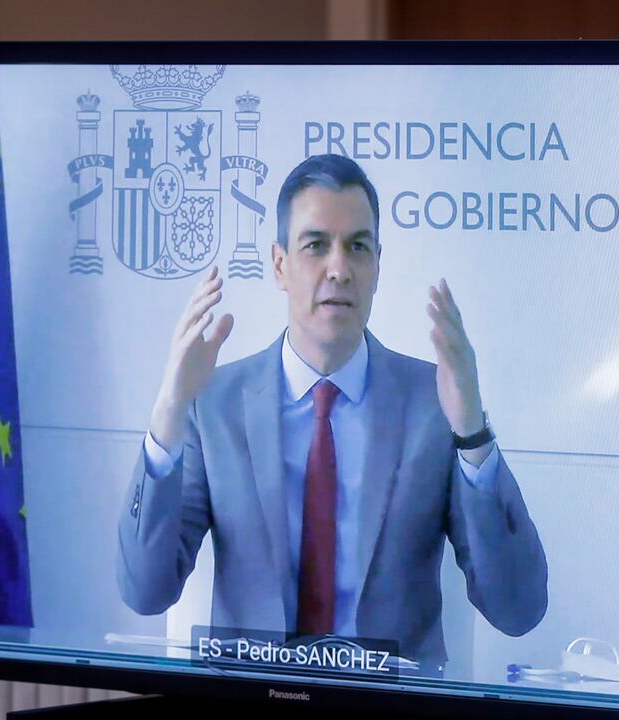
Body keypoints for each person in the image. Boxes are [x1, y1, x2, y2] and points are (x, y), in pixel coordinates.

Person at [117, 154, 547, 672]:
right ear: (279, 265)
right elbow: (145, 589)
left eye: (357, 247)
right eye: (316, 245)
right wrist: (168, 410)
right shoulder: (214, 402)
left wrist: (472, 433)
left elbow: (518, 609)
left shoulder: (435, 403)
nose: (339, 268)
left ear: (377, 265)